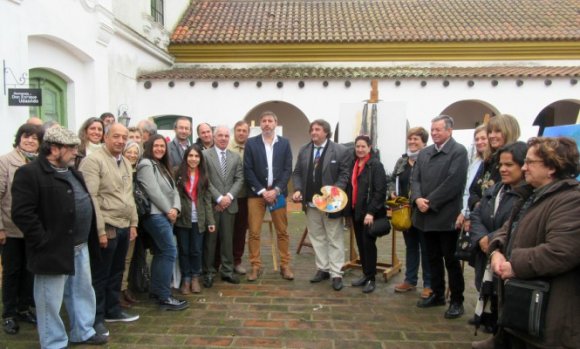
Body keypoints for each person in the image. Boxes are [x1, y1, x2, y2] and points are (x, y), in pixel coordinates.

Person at [473, 137, 580, 349]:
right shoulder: (532, 195)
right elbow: (507, 230)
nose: (524, 168)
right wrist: (496, 251)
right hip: (521, 310)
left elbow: (561, 252)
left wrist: (513, 264)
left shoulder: (571, 200)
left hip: (547, 317)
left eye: (530, 163)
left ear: (551, 168)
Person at [11, 126, 108, 348]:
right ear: (54, 148)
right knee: (49, 300)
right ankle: (54, 341)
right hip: (52, 249)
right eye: (71, 148)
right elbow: (22, 213)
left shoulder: (73, 171)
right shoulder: (30, 173)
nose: (76, 152)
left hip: (80, 245)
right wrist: (43, 240)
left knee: (82, 292)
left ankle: (82, 331)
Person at [79, 123, 140, 337]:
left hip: (124, 225)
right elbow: (91, 197)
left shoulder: (124, 161)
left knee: (116, 271)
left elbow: (128, 194)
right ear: (106, 137)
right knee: (100, 274)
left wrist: (134, 223)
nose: (121, 141)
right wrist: (100, 230)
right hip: (107, 225)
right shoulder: (93, 161)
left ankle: (113, 309)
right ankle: (95, 317)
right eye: (116, 136)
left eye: (124, 137)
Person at [412, 115, 468, 319]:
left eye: (438, 130)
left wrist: (430, 202)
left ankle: (456, 300)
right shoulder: (425, 153)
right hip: (424, 216)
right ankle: (436, 294)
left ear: (449, 130)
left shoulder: (458, 152)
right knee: (432, 258)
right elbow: (415, 178)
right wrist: (418, 198)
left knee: (451, 261)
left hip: (445, 217)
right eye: (432, 129)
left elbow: (453, 183)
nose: (434, 133)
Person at [469, 141, 527, 335]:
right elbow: (477, 214)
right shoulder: (495, 190)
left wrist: (491, 239)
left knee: (503, 301)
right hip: (484, 251)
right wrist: (481, 237)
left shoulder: (527, 195)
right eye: (500, 165)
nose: (502, 169)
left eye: (509, 165)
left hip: (504, 255)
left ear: (523, 164)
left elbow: (514, 223)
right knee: (485, 289)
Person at [292, 119, 350, 291]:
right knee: (317, 237)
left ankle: (336, 273)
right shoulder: (304, 149)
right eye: (312, 129)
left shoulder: (340, 151)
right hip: (310, 202)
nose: (313, 132)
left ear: (326, 132)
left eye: (317, 129)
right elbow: (297, 173)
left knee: (334, 237)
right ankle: (323, 268)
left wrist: (333, 194)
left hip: (330, 204)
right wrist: (297, 189)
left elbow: (344, 174)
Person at [137, 134, 188, 311]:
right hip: (155, 215)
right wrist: (169, 210)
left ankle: (157, 290)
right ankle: (165, 296)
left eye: (162, 146)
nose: (159, 149)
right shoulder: (145, 164)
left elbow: (174, 191)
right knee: (169, 251)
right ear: (149, 147)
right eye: (156, 146)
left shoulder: (162, 166)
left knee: (161, 252)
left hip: (166, 214)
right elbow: (153, 192)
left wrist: (176, 209)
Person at [0, 124, 43, 335]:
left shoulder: (41, 163)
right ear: (19, 138)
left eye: (35, 138)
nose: (30, 141)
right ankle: (9, 313)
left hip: (33, 229)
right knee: (12, 271)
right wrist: (0, 228)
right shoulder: (6, 161)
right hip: (11, 228)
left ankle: (24, 308)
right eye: (27, 137)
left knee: (30, 271)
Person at [244, 111, 294, 281]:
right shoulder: (251, 143)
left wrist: (277, 190)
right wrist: (262, 191)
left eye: (270, 121)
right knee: (254, 232)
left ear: (275, 123)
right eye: (264, 121)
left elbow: (288, 169)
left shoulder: (285, 144)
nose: (266, 124)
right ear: (260, 124)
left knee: (282, 231)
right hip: (256, 194)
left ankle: (285, 265)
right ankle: (255, 266)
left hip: (277, 194)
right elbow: (248, 170)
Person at [391, 127, 432, 299]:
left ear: (424, 142)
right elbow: (392, 179)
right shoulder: (402, 161)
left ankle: (429, 284)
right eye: (410, 139)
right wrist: (392, 191)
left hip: (423, 210)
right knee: (411, 246)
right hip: (405, 211)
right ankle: (410, 280)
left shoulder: (429, 159)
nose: (412, 142)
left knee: (427, 248)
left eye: (416, 139)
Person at [344, 135, 387, 294]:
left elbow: (380, 191)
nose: (360, 149)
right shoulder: (354, 163)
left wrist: (371, 212)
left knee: (368, 245)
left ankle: (371, 278)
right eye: (358, 147)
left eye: (363, 146)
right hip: (356, 211)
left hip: (369, 213)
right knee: (361, 244)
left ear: (370, 148)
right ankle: (365, 273)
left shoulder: (375, 165)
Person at [202, 126, 244, 286]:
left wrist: (228, 197)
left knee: (228, 240)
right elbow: (205, 179)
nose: (223, 138)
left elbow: (239, 179)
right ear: (213, 137)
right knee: (210, 241)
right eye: (220, 135)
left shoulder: (235, 157)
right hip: (212, 205)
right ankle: (209, 271)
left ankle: (227, 271)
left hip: (230, 205)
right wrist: (219, 198)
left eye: (226, 136)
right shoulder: (205, 155)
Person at [175, 145, 215, 294]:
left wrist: (210, 221)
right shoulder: (178, 174)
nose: (193, 159)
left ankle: (195, 277)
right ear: (186, 158)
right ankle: (185, 278)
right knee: (184, 250)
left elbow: (207, 200)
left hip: (199, 220)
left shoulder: (204, 176)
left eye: (196, 156)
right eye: (190, 156)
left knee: (196, 250)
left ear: (200, 159)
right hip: (182, 220)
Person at [468, 114, 520, 211]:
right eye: (490, 132)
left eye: (497, 131)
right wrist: (478, 206)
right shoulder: (488, 160)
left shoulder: (519, 158)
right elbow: (473, 190)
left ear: (508, 131)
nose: (492, 135)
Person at [119, 141, 142, 308]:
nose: (133, 155)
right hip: (119, 218)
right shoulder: (119, 170)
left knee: (128, 258)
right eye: (129, 152)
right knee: (119, 258)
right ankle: (118, 291)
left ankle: (124, 288)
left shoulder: (138, 171)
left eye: (136, 152)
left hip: (133, 219)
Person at [456, 124, 489, 230]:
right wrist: (464, 212)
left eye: (483, 138)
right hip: (470, 211)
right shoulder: (476, 162)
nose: (479, 142)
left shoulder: (492, 163)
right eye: (477, 139)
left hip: (484, 216)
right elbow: (468, 190)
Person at [228, 120, 250, 275]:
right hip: (228, 196)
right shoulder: (227, 147)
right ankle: (222, 261)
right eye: (239, 130)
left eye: (244, 130)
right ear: (234, 131)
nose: (241, 133)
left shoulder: (252, 147)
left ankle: (237, 260)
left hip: (245, 196)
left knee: (240, 231)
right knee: (225, 230)